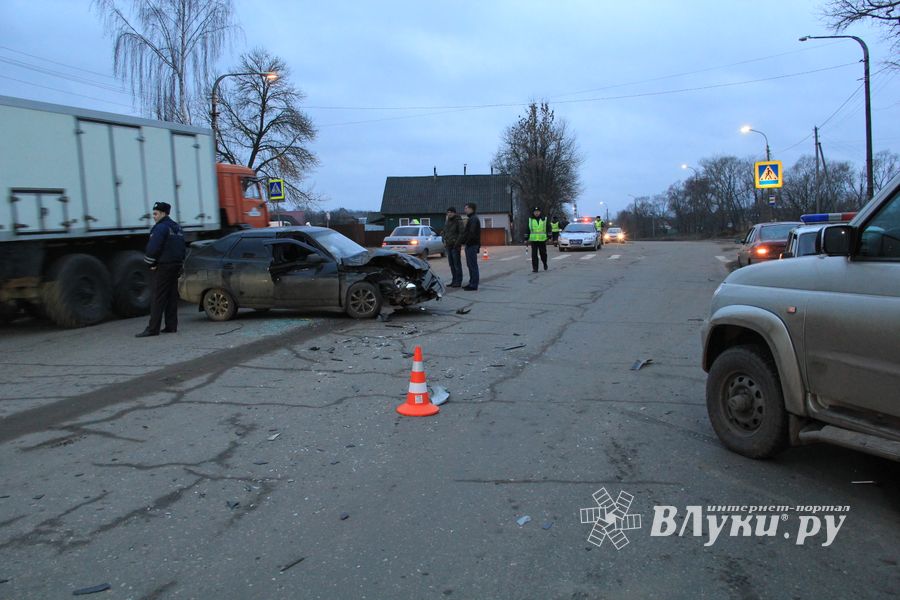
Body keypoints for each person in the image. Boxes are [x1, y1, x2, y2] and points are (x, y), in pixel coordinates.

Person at [136, 201, 186, 337]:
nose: (154, 216)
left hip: (163, 266)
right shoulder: (177, 227)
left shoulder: (160, 228)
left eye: (155, 213)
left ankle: (153, 329)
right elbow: (182, 248)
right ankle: (171, 326)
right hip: (176, 265)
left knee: (158, 297)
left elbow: (153, 248)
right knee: (171, 296)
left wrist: (150, 263)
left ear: (163, 213)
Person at [460, 202, 481, 291]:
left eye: (466, 208)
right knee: (470, 265)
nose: (465, 210)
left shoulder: (474, 219)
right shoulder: (471, 218)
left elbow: (471, 233)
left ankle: (474, 284)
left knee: (472, 265)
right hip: (471, 244)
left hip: (472, 244)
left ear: (471, 209)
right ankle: (471, 282)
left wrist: (467, 242)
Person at [442, 207, 464, 287]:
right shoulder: (447, 221)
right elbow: (444, 231)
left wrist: (456, 244)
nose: (449, 213)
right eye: (448, 212)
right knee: (451, 264)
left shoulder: (458, 220)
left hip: (455, 246)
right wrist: (444, 239)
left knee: (457, 264)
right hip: (448, 245)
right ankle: (454, 280)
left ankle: (458, 281)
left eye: (451, 212)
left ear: (454, 213)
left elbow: (461, 233)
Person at [529, 206, 550, 272]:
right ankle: (535, 268)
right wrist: (525, 238)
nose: (536, 213)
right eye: (535, 212)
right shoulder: (530, 219)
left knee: (543, 254)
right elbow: (527, 229)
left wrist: (549, 237)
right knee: (534, 255)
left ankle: (545, 263)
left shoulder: (544, 219)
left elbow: (548, 227)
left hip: (542, 240)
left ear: (540, 212)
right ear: (533, 213)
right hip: (534, 240)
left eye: (538, 212)